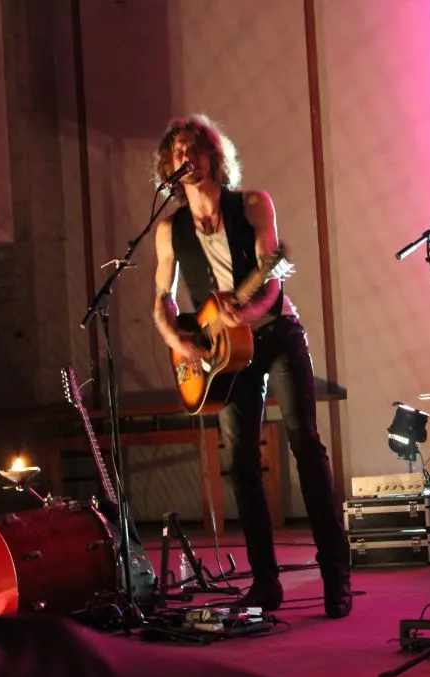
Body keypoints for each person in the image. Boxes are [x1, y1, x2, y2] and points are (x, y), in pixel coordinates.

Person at [150, 115, 352, 618]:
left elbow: (272, 276)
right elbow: (162, 299)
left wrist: (247, 312)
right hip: (224, 354)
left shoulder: (253, 204)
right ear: (168, 166)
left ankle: (336, 576)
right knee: (241, 463)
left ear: (213, 156)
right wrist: (177, 339)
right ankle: (265, 583)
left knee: (305, 442)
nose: (186, 159)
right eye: (177, 153)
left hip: (276, 332)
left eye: (194, 149)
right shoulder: (169, 229)